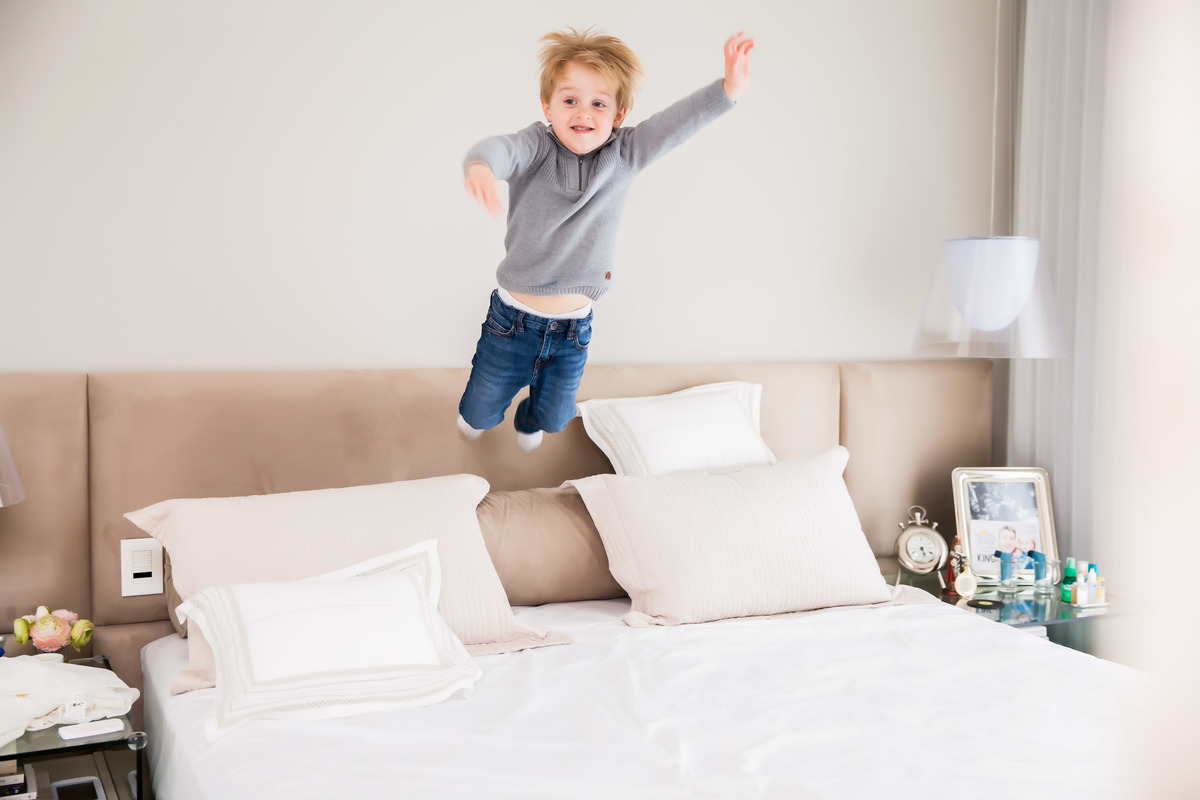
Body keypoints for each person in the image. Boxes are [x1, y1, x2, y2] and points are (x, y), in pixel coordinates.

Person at [456, 27, 755, 452]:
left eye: (598, 103)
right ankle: (483, 413)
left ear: (618, 114)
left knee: (554, 418)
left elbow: (676, 123)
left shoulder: (626, 153)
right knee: (478, 414)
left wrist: (728, 89)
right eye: (570, 100)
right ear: (547, 106)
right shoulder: (536, 146)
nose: (584, 112)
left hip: (573, 331)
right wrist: (482, 166)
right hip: (511, 323)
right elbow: (503, 148)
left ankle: (529, 415)